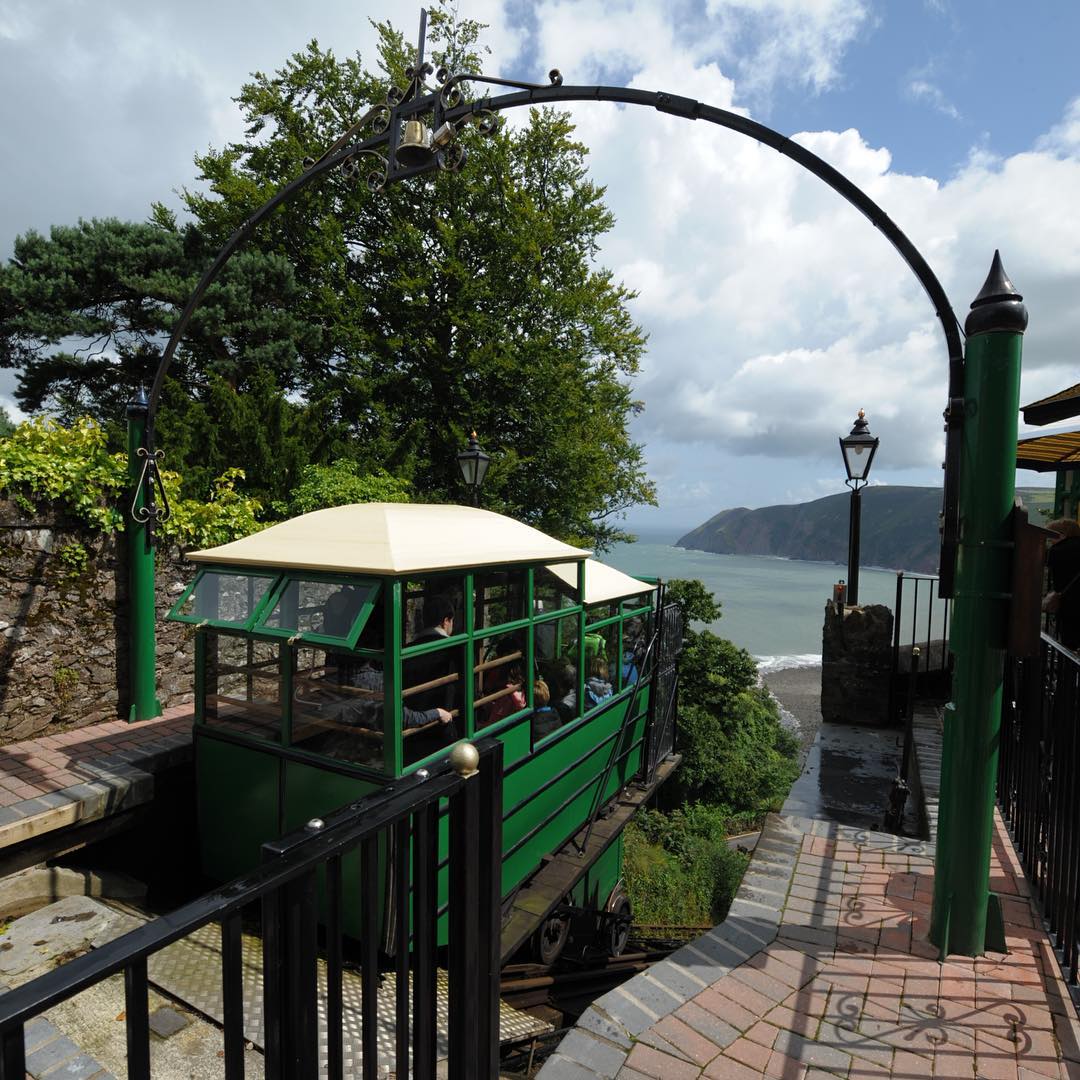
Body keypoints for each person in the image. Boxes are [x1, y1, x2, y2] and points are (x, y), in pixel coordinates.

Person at [1046, 518, 1080, 651]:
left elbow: (1057, 581)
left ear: (1062, 535)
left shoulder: (1057, 551)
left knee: (1069, 644)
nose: (1050, 541)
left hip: (1069, 605)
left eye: (1051, 536)